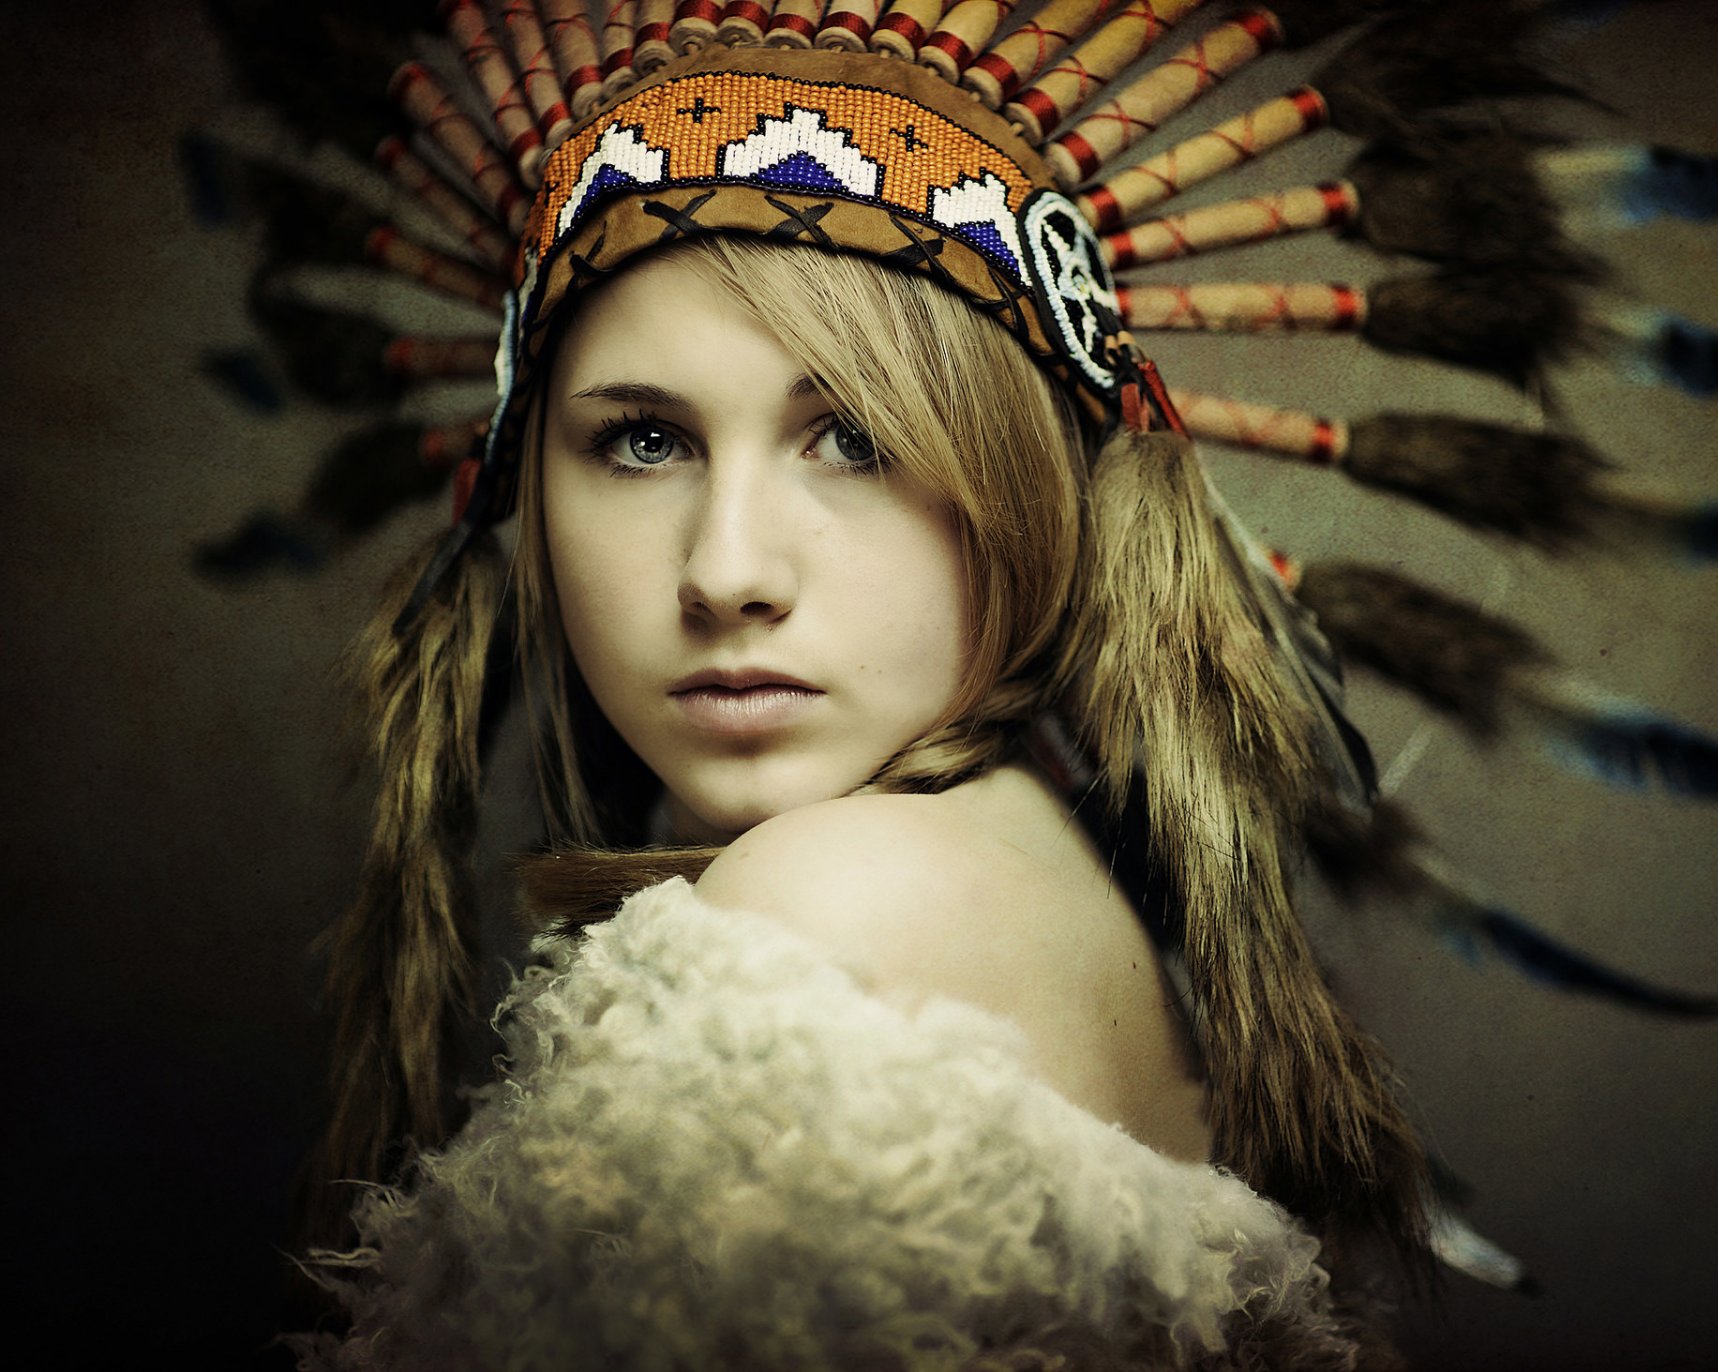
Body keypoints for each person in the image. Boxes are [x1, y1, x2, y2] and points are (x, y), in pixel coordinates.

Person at [287, 19, 1436, 1367]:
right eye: (643, 441)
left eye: (854, 437)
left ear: (1023, 483)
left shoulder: (834, 904)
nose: (726, 572)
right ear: (531, 481)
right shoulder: (1033, 861)